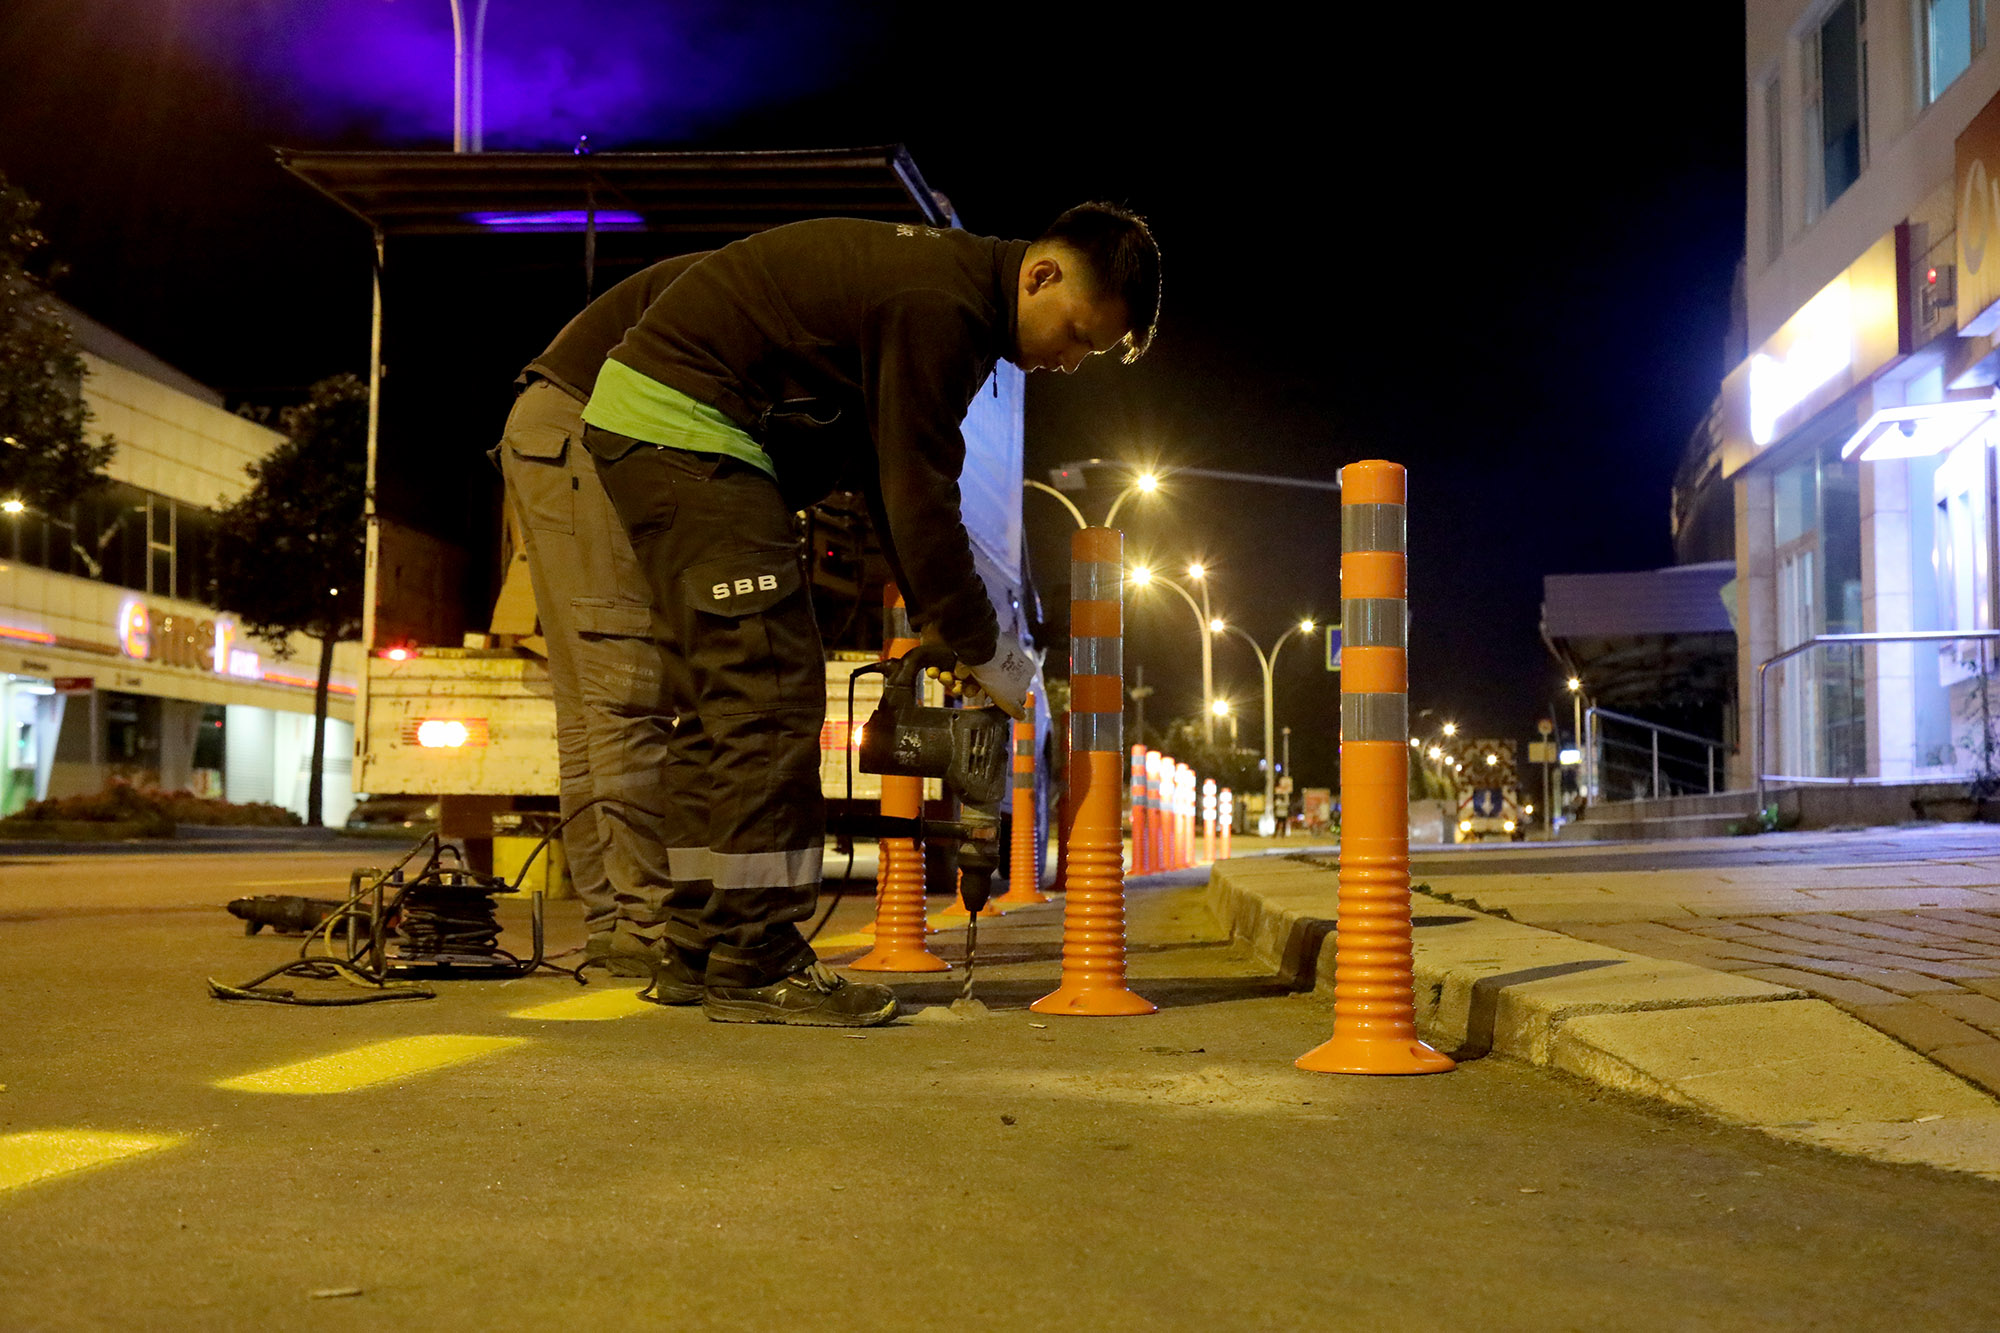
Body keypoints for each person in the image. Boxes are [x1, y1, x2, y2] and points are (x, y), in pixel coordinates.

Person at [581, 202, 1161, 1027]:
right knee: (767, 694)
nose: (1069, 362)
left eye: (1088, 354)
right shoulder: (942, 306)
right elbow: (919, 492)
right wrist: (981, 644)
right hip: (691, 427)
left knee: (722, 709)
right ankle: (755, 958)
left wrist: (943, 619)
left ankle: (700, 943)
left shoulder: (945, 295)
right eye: (1075, 334)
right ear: (1042, 274)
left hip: (660, 423)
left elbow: (891, 479)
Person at [495, 253, 709, 975]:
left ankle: (616, 922)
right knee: (627, 688)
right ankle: (646, 929)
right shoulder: (773, 307)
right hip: (583, 434)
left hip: (548, 433)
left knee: (591, 710)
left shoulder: (752, 283)